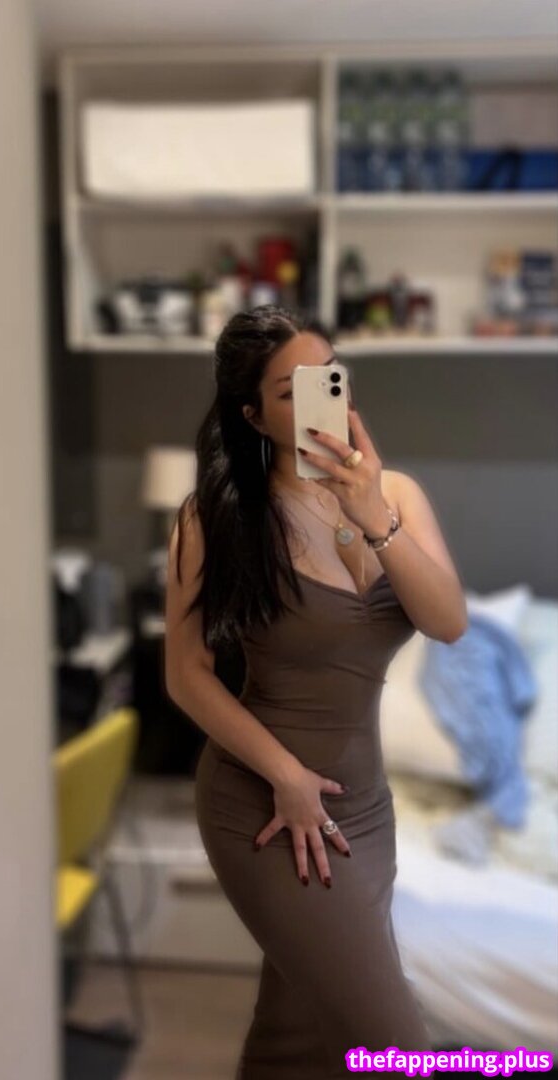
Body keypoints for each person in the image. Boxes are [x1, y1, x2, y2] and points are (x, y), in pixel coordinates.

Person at [164, 304, 467, 1079]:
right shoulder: (216, 519)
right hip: (265, 805)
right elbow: (186, 673)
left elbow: (447, 623)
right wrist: (286, 776)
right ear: (252, 416)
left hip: (363, 809)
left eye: (327, 374)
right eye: (291, 388)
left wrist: (372, 518)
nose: (321, 393)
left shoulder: (395, 496)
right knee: (399, 1051)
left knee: (295, 1038)